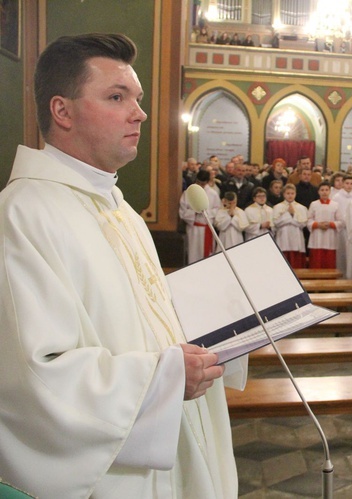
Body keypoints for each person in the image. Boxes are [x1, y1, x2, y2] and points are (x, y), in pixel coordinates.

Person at [0, 33, 242, 497]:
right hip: (115, 470)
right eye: (117, 97)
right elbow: (33, 378)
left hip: (172, 438)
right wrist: (163, 378)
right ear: (62, 111)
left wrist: (221, 325)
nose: (140, 113)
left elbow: (142, 316)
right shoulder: (24, 213)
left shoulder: (117, 206)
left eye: (138, 98)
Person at [180, 169, 221, 264]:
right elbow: (182, 211)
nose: (200, 185)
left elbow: (217, 210)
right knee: (193, 254)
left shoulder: (213, 193)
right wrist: (194, 212)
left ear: (207, 182)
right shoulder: (188, 193)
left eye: (202, 183)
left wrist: (205, 212)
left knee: (207, 258)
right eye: (198, 182)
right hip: (194, 228)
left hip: (207, 226)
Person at [306, 182, 341, 268]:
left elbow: (341, 221)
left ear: (330, 191)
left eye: (326, 190)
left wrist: (330, 224)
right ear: (318, 192)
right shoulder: (314, 204)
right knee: (316, 263)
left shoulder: (335, 205)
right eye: (322, 190)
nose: (324, 192)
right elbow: (308, 220)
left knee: (329, 264)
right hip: (317, 238)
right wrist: (317, 225)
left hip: (330, 238)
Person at [273, 184, 308, 268]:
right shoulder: (277, 207)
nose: (290, 195)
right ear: (284, 194)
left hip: (297, 238)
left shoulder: (301, 208)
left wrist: (292, 215)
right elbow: (276, 223)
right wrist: (288, 214)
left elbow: (303, 224)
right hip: (283, 237)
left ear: (295, 194)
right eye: (288, 193)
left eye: (292, 193)